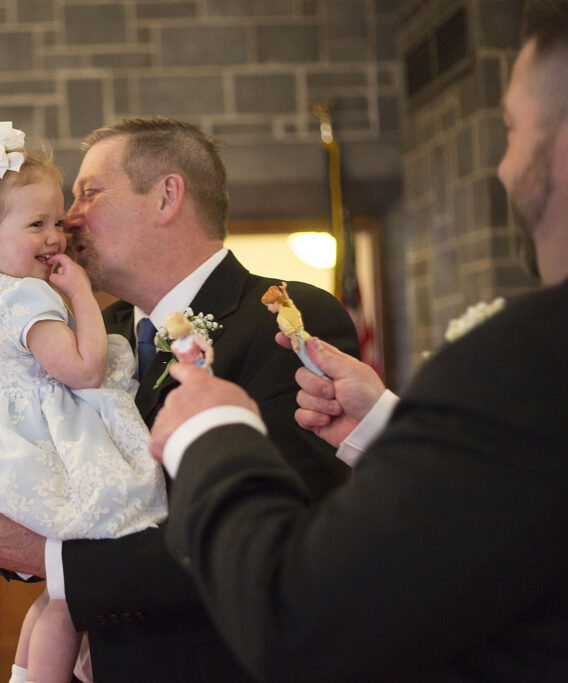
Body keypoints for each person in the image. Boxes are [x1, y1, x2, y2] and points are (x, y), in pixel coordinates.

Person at [148, 2, 568, 677]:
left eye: (512, 129)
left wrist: (212, 431)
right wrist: (386, 423)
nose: (501, 167)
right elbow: (520, 522)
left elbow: (301, 623)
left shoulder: (530, 361)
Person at [0, 117, 360, 681]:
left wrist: (56, 563)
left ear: (167, 196)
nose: (69, 219)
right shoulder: (94, 330)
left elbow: (278, 538)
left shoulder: (284, 320)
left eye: (89, 193)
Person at [0, 122, 167, 683]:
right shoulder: (27, 296)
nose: (56, 236)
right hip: (52, 453)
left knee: (54, 594)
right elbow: (82, 371)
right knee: (71, 600)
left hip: (3, 455)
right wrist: (80, 292)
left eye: (57, 221)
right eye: (37, 225)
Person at [262, 282, 327, 377]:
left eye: (268, 306)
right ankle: (326, 371)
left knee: (306, 359)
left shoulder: (280, 317)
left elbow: (290, 330)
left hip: (297, 338)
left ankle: (321, 375)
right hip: (305, 334)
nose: (268, 309)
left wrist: (295, 343)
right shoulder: (291, 308)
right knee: (315, 354)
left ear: (275, 302)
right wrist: (284, 290)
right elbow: (287, 300)